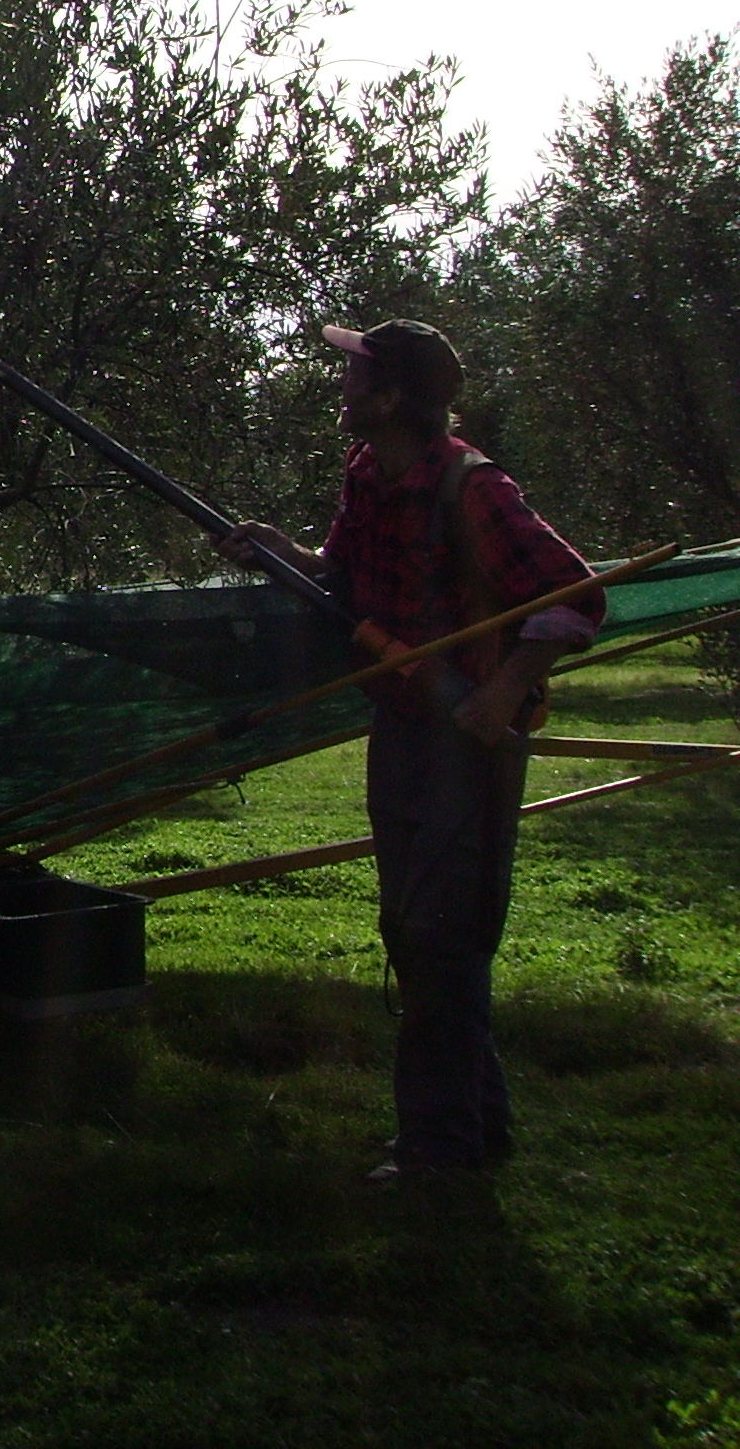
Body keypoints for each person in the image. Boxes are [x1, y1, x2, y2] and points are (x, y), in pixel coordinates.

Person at [214, 320, 602, 1185]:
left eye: (354, 374)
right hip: (400, 722)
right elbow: (340, 572)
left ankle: (438, 1149)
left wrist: (504, 690)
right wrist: (284, 552)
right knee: (416, 929)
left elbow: (575, 596)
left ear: (390, 399)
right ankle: (476, 1124)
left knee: (440, 930)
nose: (341, 386)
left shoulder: (476, 489)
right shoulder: (368, 476)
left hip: (470, 737)